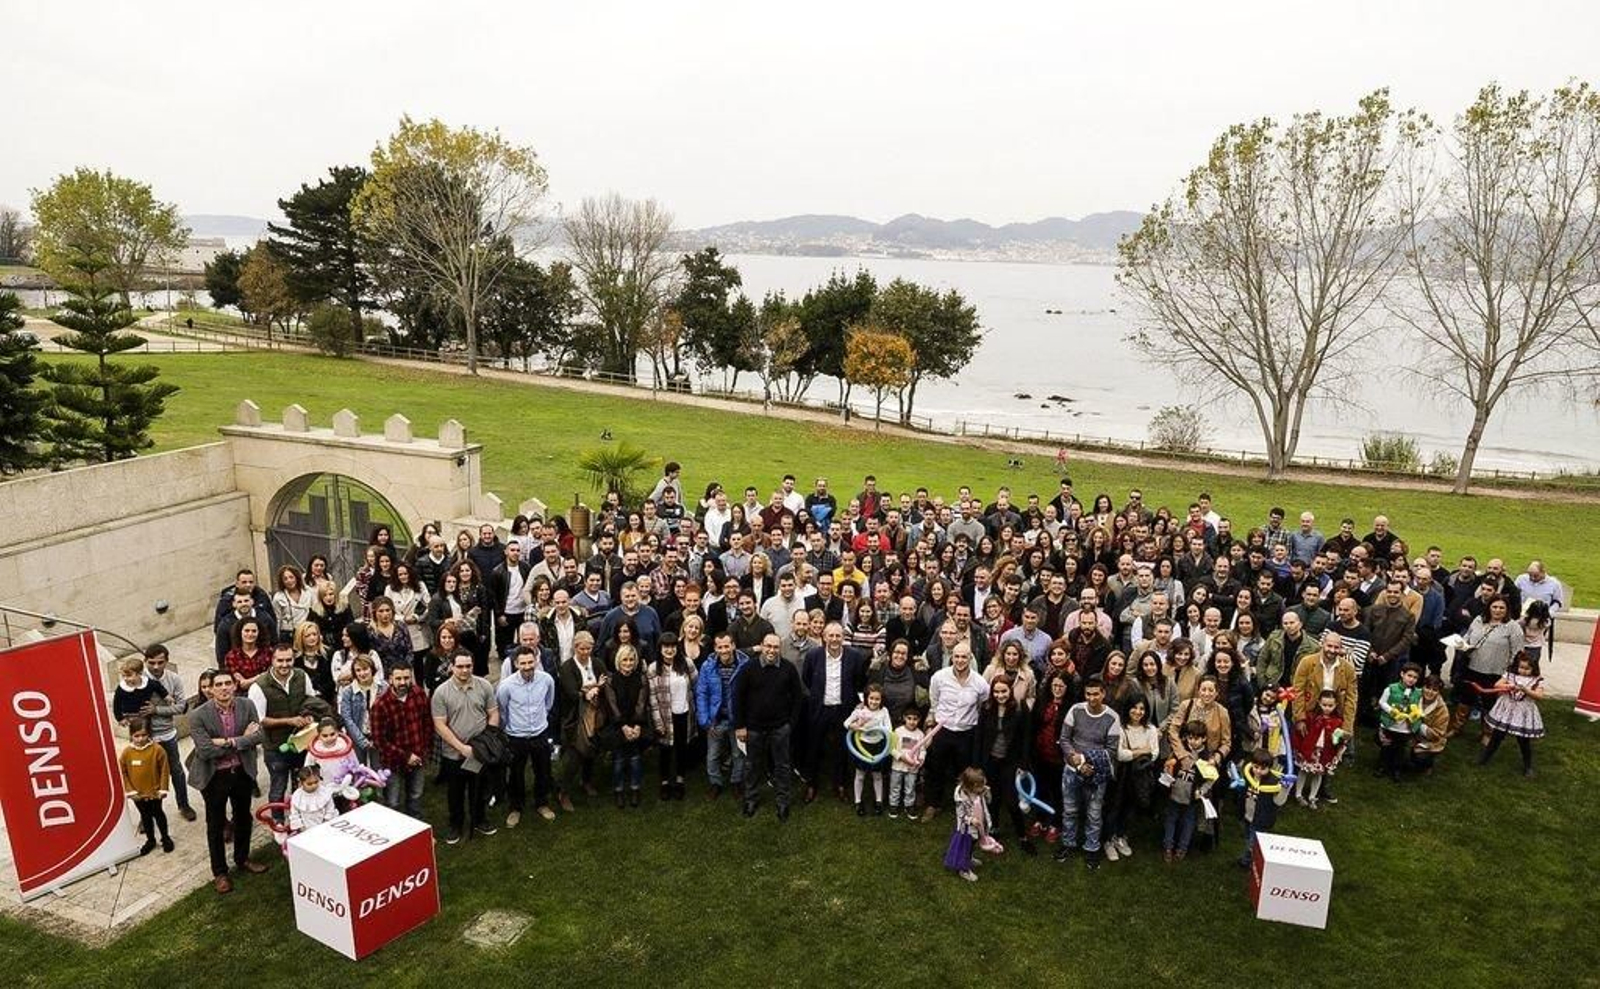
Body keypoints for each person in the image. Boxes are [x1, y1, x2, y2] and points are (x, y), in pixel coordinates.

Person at [187, 669, 270, 893]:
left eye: (227, 683)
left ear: (234, 685)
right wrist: (242, 738)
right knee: (215, 825)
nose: (224, 688)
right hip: (215, 777)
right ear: (211, 689)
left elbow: (259, 736)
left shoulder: (247, 706)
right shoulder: (198, 715)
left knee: (243, 817)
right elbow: (204, 751)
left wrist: (226, 742)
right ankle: (220, 873)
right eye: (219, 684)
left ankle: (242, 859)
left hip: (241, 771)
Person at [1054, 676, 1123, 870]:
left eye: (1096, 694)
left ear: (1103, 694)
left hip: (1096, 772)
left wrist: (1088, 763)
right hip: (1072, 769)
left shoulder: (1112, 717)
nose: (1092, 698)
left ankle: (1092, 848)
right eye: (1088, 694)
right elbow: (1065, 739)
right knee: (1070, 810)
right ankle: (1068, 843)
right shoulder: (1075, 710)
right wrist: (1075, 760)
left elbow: (1111, 750)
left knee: (1094, 813)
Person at [432, 651, 500, 844]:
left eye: (468, 666)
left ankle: (480, 820)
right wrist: (462, 748)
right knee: (455, 791)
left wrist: (487, 740)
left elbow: (493, 713)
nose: (464, 670)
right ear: (452, 667)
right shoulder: (441, 692)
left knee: (479, 788)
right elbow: (440, 725)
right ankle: (456, 824)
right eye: (460, 666)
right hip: (454, 754)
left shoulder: (484, 685)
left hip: (480, 751)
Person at [246, 643, 319, 822]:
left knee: (301, 784)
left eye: (288, 660)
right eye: (280, 660)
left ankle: (301, 818)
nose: (285, 665)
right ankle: (278, 823)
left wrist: (308, 715)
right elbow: (259, 719)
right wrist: (289, 720)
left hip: (301, 743)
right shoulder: (259, 686)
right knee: (278, 787)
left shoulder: (301, 676)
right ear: (272, 660)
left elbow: (310, 699)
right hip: (275, 746)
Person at [735, 632, 804, 820]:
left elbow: (798, 697)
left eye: (775, 647)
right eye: (768, 646)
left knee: (782, 766)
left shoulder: (788, 669)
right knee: (752, 765)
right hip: (754, 727)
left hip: (780, 727)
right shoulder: (748, 668)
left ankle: (783, 802)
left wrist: (791, 723)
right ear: (762, 646)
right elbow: (738, 697)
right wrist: (740, 726)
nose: (771, 650)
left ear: (779, 649)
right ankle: (751, 799)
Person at [921, 641, 990, 822]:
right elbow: (934, 700)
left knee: (965, 772)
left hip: (967, 733)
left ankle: (965, 807)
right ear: (952, 657)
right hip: (943, 730)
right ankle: (932, 804)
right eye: (957, 656)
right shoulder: (939, 677)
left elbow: (982, 703)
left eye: (964, 657)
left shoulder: (980, 683)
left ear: (970, 658)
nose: (960, 660)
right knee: (936, 769)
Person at [801, 622, 868, 802]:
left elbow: (860, 681)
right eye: (831, 636)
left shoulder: (855, 656)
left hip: (843, 709)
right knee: (813, 747)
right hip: (819, 708)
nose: (834, 639)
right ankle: (811, 784)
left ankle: (840, 785)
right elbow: (807, 678)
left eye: (838, 636)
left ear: (843, 637)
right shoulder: (813, 655)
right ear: (824, 637)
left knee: (842, 749)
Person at [497, 646, 558, 825]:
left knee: (543, 771)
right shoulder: (506, 686)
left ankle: (542, 803)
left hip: (540, 733)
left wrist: (540, 720)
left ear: (536, 661)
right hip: (516, 736)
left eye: (530, 662)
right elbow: (502, 710)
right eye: (522, 663)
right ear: (515, 664)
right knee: (516, 774)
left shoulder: (546, 680)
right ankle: (515, 807)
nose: (527, 666)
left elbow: (549, 703)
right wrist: (511, 727)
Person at [141, 645, 197, 821]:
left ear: (167, 661)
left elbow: (181, 706)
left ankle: (184, 805)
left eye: (160, 662)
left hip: (167, 734)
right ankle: (147, 815)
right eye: (151, 663)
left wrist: (155, 710)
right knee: (147, 775)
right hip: (145, 737)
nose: (156, 667)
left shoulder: (174, 679)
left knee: (177, 771)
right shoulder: (138, 680)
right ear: (145, 661)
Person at [369, 663, 432, 819]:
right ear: (390, 679)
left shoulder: (419, 694)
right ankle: (395, 834)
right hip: (392, 762)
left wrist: (422, 751)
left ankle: (416, 828)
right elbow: (379, 740)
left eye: (406, 678)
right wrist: (406, 756)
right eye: (398, 678)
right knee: (393, 801)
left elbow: (427, 724)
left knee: (416, 795)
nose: (403, 682)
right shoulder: (380, 704)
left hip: (418, 757)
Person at [557, 631, 611, 807]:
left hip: (595, 715)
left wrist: (592, 689)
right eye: (582, 649)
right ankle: (563, 792)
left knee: (592, 751)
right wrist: (593, 688)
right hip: (575, 717)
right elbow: (572, 693)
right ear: (575, 647)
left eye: (589, 649)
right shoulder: (567, 667)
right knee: (575, 755)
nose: (586, 652)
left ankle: (586, 781)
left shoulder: (597, 663)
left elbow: (606, 682)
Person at [600, 644, 654, 808]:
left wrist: (637, 725)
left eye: (631, 660)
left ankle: (635, 789)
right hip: (617, 725)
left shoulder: (641, 679)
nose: (628, 663)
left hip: (636, 723)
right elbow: (612, 705)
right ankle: (618, 790)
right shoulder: (611, 680)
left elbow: (641, 703)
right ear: (619, 661)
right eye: (625, 659)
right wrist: (623, 727)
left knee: (635, 759)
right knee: (618, 760)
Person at [1478, 651, 1546, 777]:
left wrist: (1526, 690)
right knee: (1497, 736)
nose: (1523, 671)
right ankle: (1484, 759)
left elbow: (1539, 696)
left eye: (1527, 668)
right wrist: (1509, 686)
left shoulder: (1537, 680)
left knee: (1523, 740)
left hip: (1523, 713)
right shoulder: (1510, 675)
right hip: (1506, 710)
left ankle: (1528, 766)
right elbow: (1497, 684)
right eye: (1521, 667)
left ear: (1534, 668)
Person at [648, 633, 698, 801]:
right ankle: (664, 782)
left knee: (682, 748)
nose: (669, 650)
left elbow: (696, 685)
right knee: (665, 750)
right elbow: (653, 698)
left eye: (672, 646)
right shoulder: (654, 668)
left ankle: (679, 780)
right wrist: (658, 722)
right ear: (660, 649)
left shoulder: (687, 664)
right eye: (666, 647)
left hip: (684, 713)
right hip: (664, 717)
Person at [1160, 719, 1216, 863]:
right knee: (1170, 819)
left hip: (1192, 796)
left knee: (1189, 821)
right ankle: (1168, 846)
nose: (1193, 742)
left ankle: (1182, 848)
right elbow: (1169, 766)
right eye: (1190, 738)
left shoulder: (1207, 757)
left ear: (1204, 738)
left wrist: (1202, 791)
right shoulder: (1180, 751)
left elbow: (1211, 779)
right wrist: (1167, 772)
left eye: (1197, 738)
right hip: (1174, 792)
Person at [119, 719, 174, 855]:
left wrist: (163, 788)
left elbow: (164, 770)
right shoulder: (127, 753)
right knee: (145, 816)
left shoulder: (157, 750)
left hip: (155, 792)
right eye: (136, 736)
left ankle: (165, 838)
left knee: (158, 814)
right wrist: (130, 791)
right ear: (131, 735)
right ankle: (150, 840)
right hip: (138, 794)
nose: (140, 739)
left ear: (148, 734)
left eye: (143, 735)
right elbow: (123, 771)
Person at [844, 684, 894, 817]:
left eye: (877, 699)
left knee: (877, 775)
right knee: (860, 775)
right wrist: (854, 726)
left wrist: (879, 730)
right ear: (866, 698)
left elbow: (889, 729)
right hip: (862, 746)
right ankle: (858, 802)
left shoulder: (884, 712)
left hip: (878, 747)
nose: (874, 702)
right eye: (871, 698)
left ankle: (878, 802)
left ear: (881, 700)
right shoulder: (860, 711)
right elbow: (846, 723)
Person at [1292, 690, 1347, 809]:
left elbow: (1340, 739)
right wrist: (1298, 747)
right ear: (1318, 703)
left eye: (1330, 705)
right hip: (1309, 750)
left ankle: (1312, 797)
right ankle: (1298, 794)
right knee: (1304, 771)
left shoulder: (1337, 721)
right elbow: (1300, 733)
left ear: (1336, 704)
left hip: (1325, 752)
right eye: (1324, 705)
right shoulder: (1311, 717)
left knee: (1319, 774)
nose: (1327, 708)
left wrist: (1338, 741)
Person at [1235, 748, 1287, 867]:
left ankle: (1252, 863)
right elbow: (1244, 792)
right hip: (1248, 815)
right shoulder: (1249, 776)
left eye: (1262, 769)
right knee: (1248, 838)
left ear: (1269, 768)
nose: (1258, 771)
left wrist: (1285, 788)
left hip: (1261, 819)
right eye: (1255, 767)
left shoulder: (1273, 782)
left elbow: (1279, 802)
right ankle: (1248, 859)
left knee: (1253, 843)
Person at [1376, 662, 1425, 782]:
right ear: (1402, 674)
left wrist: (1417, 714)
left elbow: (1419, 706)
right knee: (1386, 747)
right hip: (1390, 725)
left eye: (1415, 677)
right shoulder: (1391, 688)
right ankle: (1382, 767)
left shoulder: (1418, 693)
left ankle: (1396, 770)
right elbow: (1382, 702)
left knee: (1400, 750)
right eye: (1409, 675)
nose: (1412, 679)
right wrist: (1391, 711)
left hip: (1405, 728)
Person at [946, 766, 993, 882]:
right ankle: (964, 869)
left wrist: (987, 793)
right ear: (973, 786)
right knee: (965, 847)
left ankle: (969, 858)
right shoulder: (961, 798)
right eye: (981, 786)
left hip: (977, 825)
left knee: (973, 844)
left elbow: (988, 802)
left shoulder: (978, 791)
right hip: (966, 830)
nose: (983, 787)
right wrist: (971, 820)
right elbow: (961, 816)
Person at [888, 705, 926, 819]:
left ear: (919, 720)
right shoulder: (898, 731)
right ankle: (893, 805)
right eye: (909, 718)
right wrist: (901, 757)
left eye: (915, 719)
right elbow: (891, 748)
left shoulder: (920, 734)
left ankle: (909, 805)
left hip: (912, 768)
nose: (912, 722)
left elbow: (922, 750)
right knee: (895, 786)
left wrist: (920, 759)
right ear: (904, 718)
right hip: (898, 766)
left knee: (910, 787)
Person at [1410, 675, 1451, 775]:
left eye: (1434, 690)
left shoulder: (1443, 710)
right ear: (1423, 687)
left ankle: (1428, 764)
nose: (1430, 692)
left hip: (1431, 740)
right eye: (1427, 688)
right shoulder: (1413, 696)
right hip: (1410, 733)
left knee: (1419, 757)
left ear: (1438, 692)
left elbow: (1438, 734)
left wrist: (1420, 726)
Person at [289, 765, 339, 832]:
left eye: (316, 782)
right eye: (309, 784)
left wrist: (326, 821)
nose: (314, 786)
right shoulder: (297, 796)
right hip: (306, 829)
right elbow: (295, 814)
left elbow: (330, 809)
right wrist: (301, 827)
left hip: (325, 826)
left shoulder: (324, 792)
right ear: (301, 783)